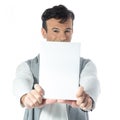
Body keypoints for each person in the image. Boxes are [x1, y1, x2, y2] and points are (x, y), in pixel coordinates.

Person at [13, 4, 100, 120]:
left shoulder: (85, 65)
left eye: (67, 31)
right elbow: (20, 81)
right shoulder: (28, 66)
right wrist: (25, 97)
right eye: (55, 30)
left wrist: (87, 100)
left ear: (72, 31)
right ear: (44, 32)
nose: (63, 37)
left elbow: (91, 80)